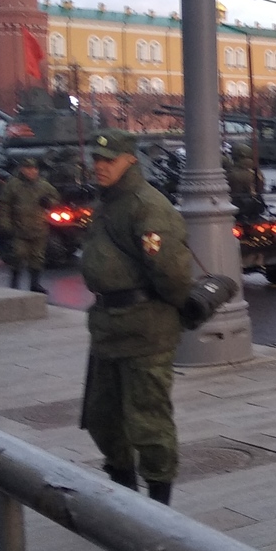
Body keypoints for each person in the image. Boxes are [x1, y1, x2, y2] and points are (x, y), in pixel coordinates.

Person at [78, 130, 194, 504]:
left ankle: (159, 504)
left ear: (130, 160)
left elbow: (173, 274)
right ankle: (124, 492)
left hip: (145, 328)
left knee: (148, 420)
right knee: (102, 418)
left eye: (108, 160)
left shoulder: (147, 206)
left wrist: (175, 307)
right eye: (95, 159)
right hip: (109, 327)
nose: (99, 165)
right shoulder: (108, 202)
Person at [0, 156, 57, 293]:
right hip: (19, 228)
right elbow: (4, 205)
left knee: (37, 257)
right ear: (22, 170)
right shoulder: (13, 185)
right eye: (28, 169)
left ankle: (35, 284)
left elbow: (56, 197)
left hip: (39, 228)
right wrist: (5, 224)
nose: (32, 172)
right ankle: (14, 283)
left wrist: (49, 202)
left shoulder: (43, 185)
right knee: (18, 255)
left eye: (34, 169)